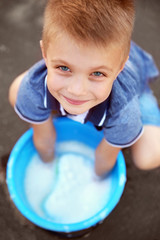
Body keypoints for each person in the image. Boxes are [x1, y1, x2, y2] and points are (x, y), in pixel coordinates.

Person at [9, 0, 160, 177]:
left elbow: (104, 161)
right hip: (98, 77)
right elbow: (43, 139)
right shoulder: (34, 87)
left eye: (97, 73)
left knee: (150, 156)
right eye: (64, 68)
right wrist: (50, 170)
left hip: (135, 90)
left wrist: (91, 183)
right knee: (18, 91)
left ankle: (104, 114)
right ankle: (82, 106)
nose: (77, 90)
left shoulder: (125, 112)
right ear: (45, 53)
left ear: (120, 67)